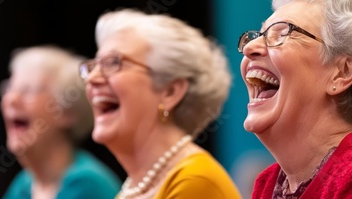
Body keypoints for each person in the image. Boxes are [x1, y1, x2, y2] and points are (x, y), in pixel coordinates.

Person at [237, 0, 352, 198]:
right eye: (259, 35)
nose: (250, 47)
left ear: (342, 72)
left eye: (282, 34)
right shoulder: (268, 183)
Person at [80, 9, 241, 199]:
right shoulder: (133, 188)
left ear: (170, 92)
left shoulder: (194, 182)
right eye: (93, 66)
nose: (92, 78)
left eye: (113, 63)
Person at [0, 45, 120, 199]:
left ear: (67, 112)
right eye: (9, 88)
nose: (11, 100)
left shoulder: (87, 185)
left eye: (28, 90)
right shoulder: (22, 186)